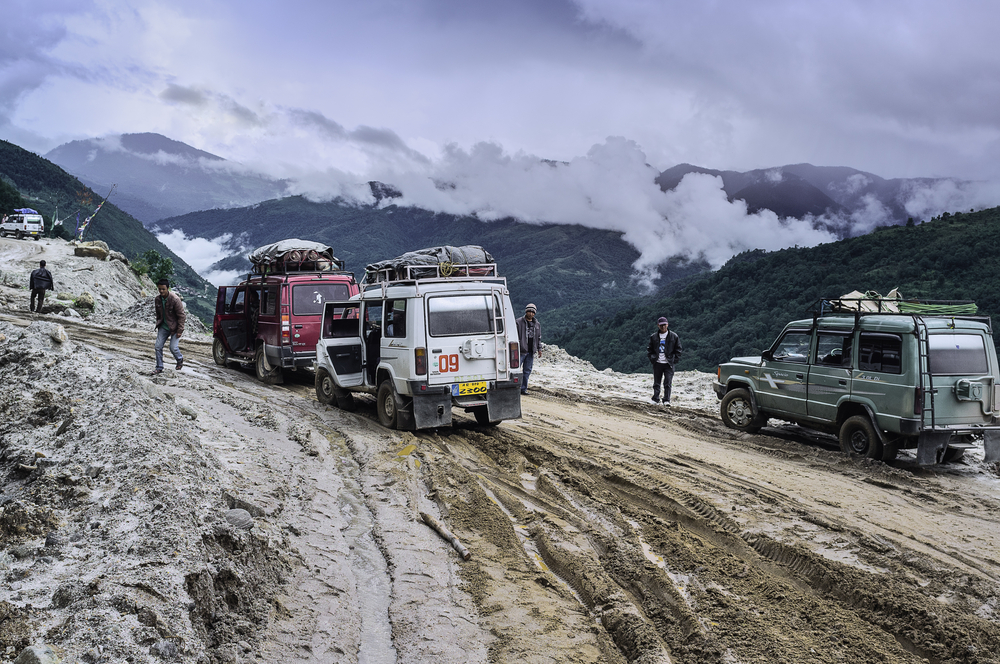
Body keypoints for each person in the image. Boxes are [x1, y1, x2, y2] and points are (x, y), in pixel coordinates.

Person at [152, 279, 186, 375]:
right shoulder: (157, 299)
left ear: (167, 288)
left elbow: (182, 316)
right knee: (158, 347)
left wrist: (180, 330)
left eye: (163, 289)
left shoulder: (175, 299)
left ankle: (179, 359)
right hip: (163, 326)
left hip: (174, 328)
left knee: (173, 347)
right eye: (159, 289)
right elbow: (158, 313)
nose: (161, 291)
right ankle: (159, 367)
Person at [646, 316, 682, 405]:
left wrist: (674, 360)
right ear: (658, 325)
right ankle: (655, 399)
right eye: (661, 325)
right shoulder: (653, 336)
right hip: (657, 363)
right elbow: (649, 349)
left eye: (664, 325)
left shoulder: (674, 336)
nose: (663, 327)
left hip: (668, 363)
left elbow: (678, 349)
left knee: (668, 382)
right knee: (656, 382)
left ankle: (666, 400)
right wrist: (653, 359)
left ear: (667, 324)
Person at [516, 303, 542, 395]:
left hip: (531, 351)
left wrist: (539, 349)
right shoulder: (518, 322)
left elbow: (538, 338)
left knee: (527, 371)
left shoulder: (537, 324)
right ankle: (513, 388)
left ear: (534, 313)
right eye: (529, 311)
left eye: (532, 312)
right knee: (514, 369)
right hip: (520, 350)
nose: (530, 313)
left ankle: (523, 389)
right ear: (526, 311)